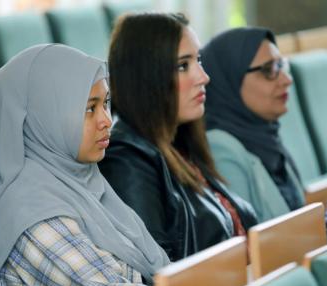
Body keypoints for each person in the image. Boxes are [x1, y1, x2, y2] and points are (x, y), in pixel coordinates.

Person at [0, 44, 169, 286]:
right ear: (45, 118)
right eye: (90, 108)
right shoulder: (32, 216)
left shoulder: (82, 183)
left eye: (105, 103)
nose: (107, 120)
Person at [99, 13, 257, 262]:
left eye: (199, 60)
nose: (204, 77)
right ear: (145, 78)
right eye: (183, 66)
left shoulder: (180, 145)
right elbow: (158, 278)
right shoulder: (127, 160)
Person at [201, 27, 305, 222]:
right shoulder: (220, 148)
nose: (287, 79)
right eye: (268, 70)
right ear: (231, 78)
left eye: (280, 65)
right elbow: (250, 244)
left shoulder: (265, 135)